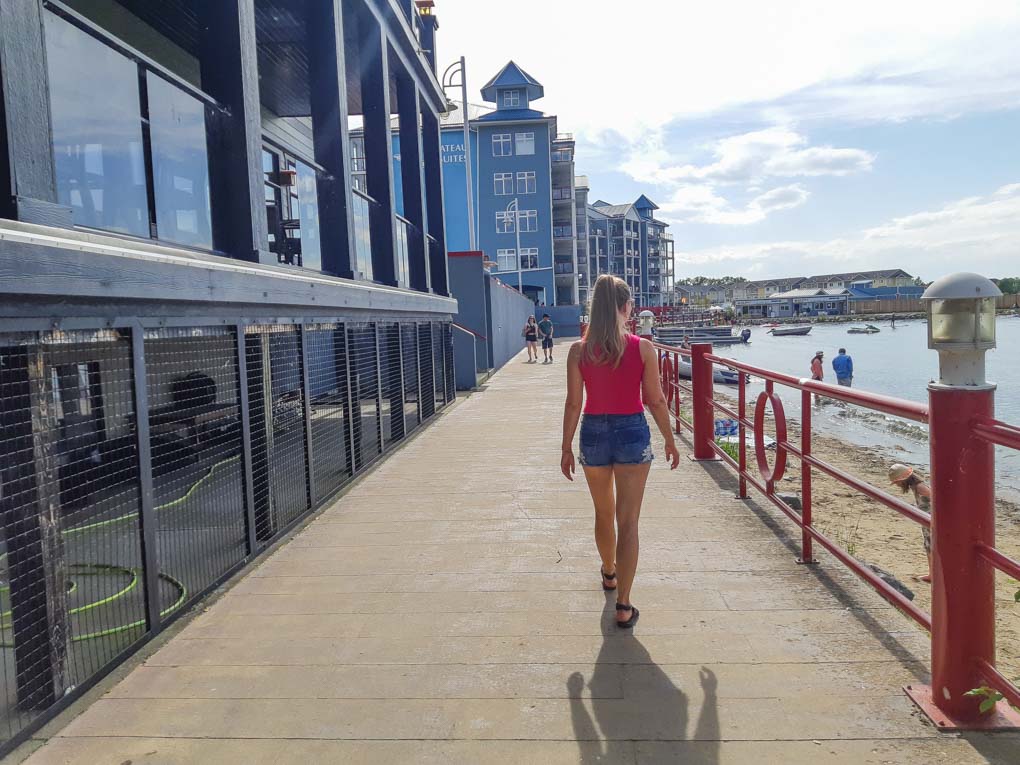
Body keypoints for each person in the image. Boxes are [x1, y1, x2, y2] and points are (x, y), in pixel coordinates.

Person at [561, 275, 681, 628]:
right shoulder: (643, 348)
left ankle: (609, 572)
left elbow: (573, 403)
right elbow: (655, 400)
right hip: (632, 429)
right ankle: (624, 605)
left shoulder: (579, 351)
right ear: (626, 308)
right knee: (628, 521)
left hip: (593, 431)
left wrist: (566, 447)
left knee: (603, 512)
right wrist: (670, 438)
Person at [889, 463, 933, 582]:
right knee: (928, 546)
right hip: (925, 518)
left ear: (903, 479)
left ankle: (934, 574)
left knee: (932, 547)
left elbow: (934, 502)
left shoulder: (920, 487)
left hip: (931, 519)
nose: (897, 485)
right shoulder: (916, 486)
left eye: (897, 482)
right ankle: (932, 573)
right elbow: (922, 503)